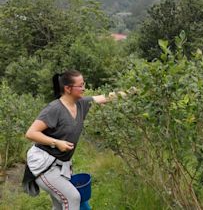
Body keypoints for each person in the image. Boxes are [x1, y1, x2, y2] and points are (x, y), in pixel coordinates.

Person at [22, 70, 128, 210]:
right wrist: (56, 142)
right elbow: (31, 133)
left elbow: (105, 97)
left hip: (62, 165)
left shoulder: (81, 104)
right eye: (80, 85)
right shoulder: (54, 109)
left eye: (83, 84)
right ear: (68, 88)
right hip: (44, 164)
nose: (84, 88)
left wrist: (131, 92)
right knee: (72, 198)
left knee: (59, 205)